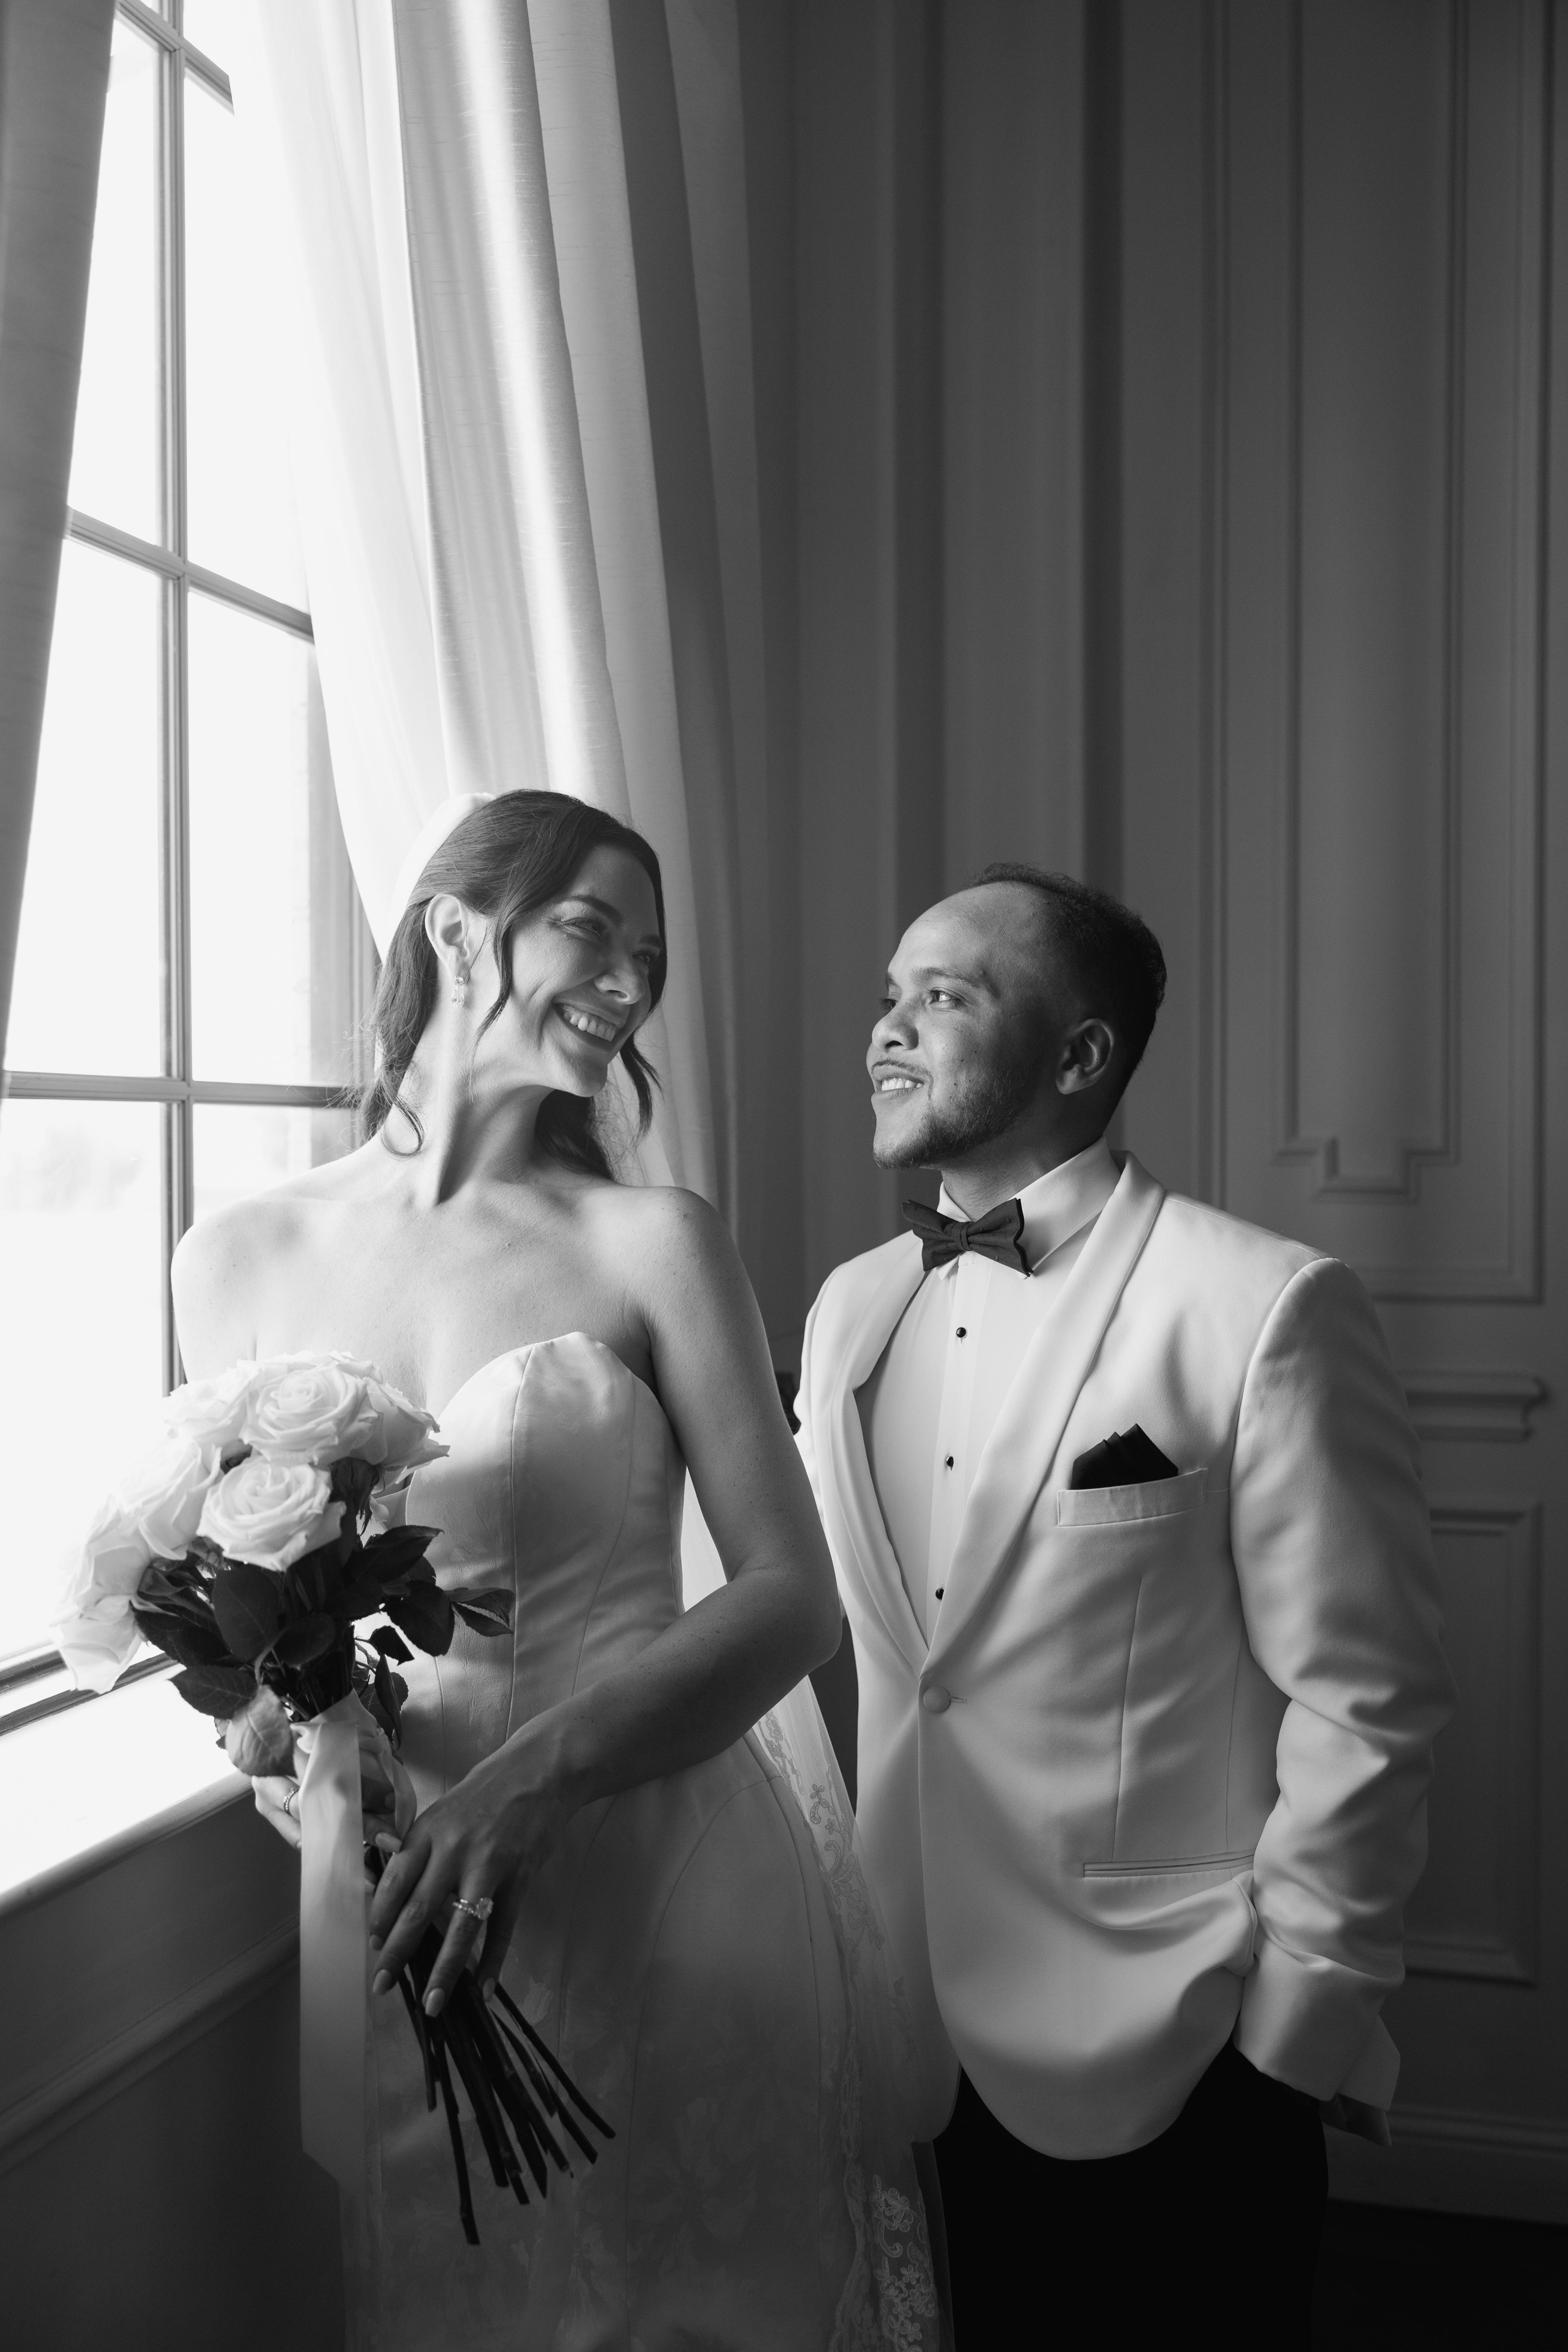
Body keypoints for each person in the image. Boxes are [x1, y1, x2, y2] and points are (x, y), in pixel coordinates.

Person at [173, 790, 941, 2352]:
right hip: (403, 1909)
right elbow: (239, 1607)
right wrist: (283, 1737)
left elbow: (790, 1599)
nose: (631, 982)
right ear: (455, 931)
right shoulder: (233, 1257)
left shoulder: (653, 1242)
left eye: (650, 956)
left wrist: (531, 1780)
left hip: (660, 1873)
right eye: (594, 931)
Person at [792, 862, 1455, 2346]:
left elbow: (1370, 1700)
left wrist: (1295, 2034)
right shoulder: (848, 1312)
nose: (888, 1028)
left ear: (1081, 1054)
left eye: (944, 996)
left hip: (1179, 2046)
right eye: (890, 995)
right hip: (899, 2040)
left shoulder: (1265, 1304)